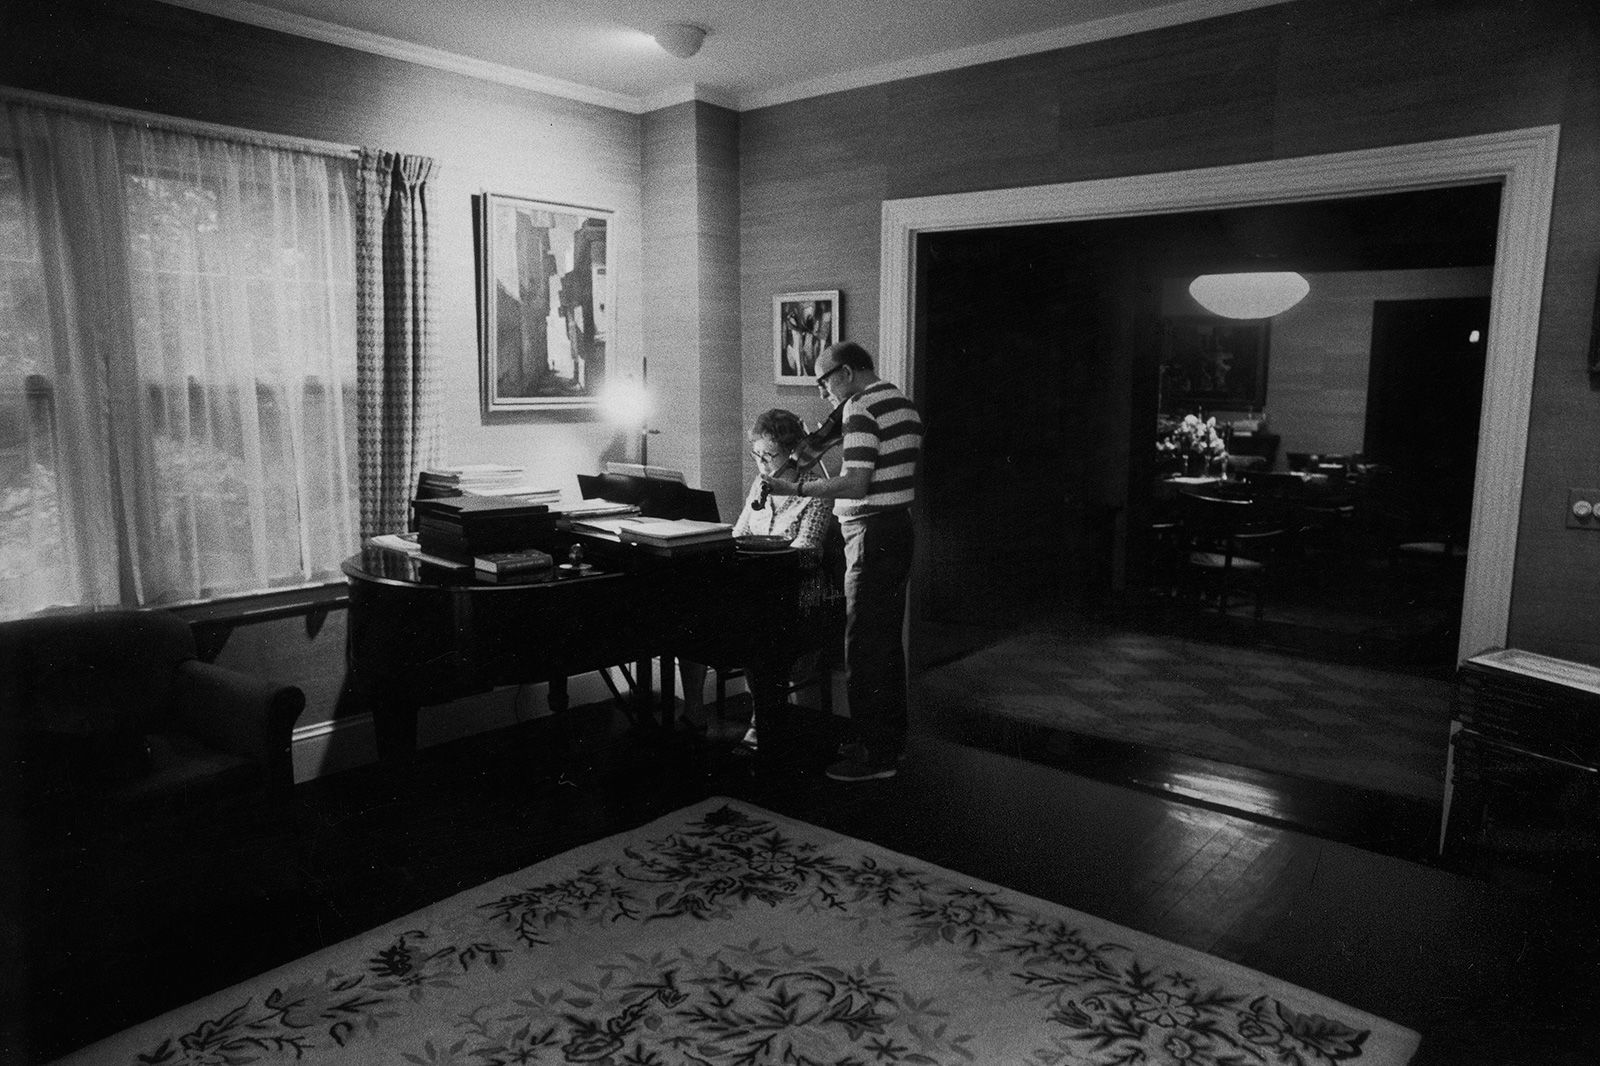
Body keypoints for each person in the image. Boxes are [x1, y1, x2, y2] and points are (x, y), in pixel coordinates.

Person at [760, 341, 923, 782]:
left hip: (869, 532)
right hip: (896, 529)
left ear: (847, 373)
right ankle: (887, 741)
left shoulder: (860, 408)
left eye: (824, 380)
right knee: (884, 642)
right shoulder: (901, 403)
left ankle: (875, 757)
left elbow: (854, 484)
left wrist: (793, 490)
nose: (822, 393)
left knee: (864, 644)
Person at [678, 409, 838, 752]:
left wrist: (763, 556)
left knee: (757, 632)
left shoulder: (816, 489)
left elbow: (807, 553)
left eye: (770, 455)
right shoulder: (760, 484)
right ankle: (693, 711)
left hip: (799, 593)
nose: (762, 463)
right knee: (689, 618)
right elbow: (739, 533)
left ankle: (761, 724)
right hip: (755, 588)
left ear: (793, 451)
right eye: (757, 454)